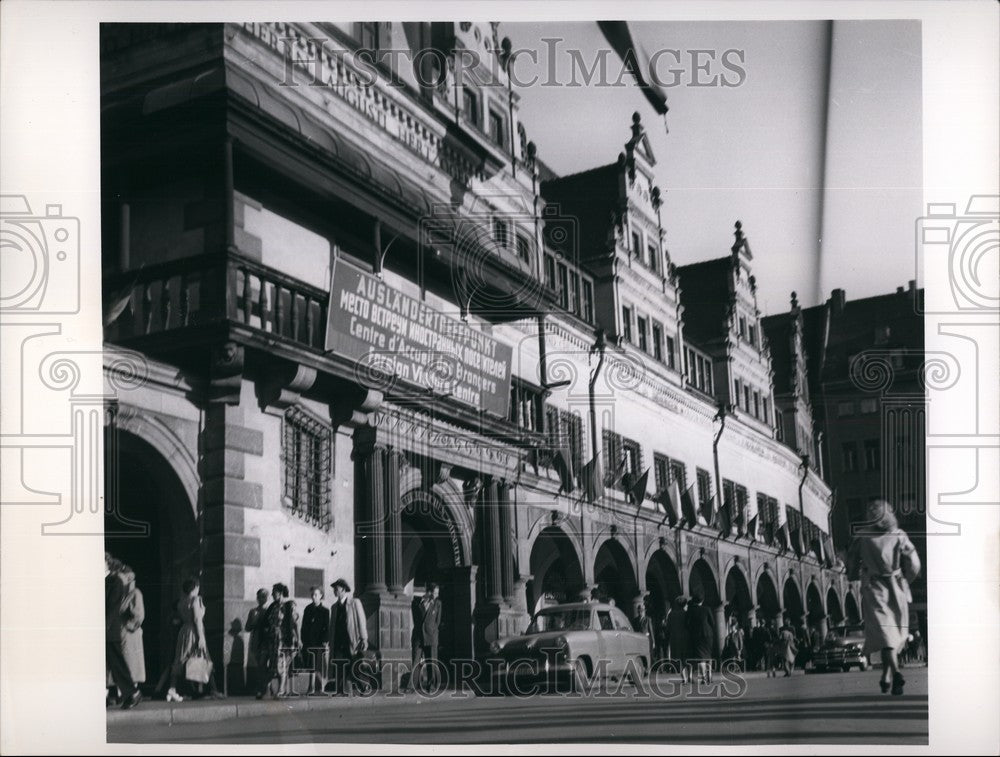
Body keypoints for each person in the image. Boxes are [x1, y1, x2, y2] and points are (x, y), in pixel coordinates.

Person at [847, 499, 921, 695]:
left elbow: (851, 561)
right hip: (897, 587)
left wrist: (853, 575)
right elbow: (914, 563)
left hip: (874, 588)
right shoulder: (899, 535)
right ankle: (894, 673)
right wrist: (906, 579)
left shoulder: (862, 536)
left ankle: (889, 674)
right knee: (893, 634)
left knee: (886, 634)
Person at [165, 578, 222, 702]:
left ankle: (172, 689)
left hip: (184, 631)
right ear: (195, 587)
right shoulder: (196, 600)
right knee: (205, 658)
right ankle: (214, 689)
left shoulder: (181, 601)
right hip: (195, 631)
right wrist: (201, 637)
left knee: (180, 658)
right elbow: (197, 619)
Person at [105, 553, 141, 710]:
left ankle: (132, 693)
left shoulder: (115, 581)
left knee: (117, 664)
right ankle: (130, 693)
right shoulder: (107, 581)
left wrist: (104, 627)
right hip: (107, 630)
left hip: (109, 631)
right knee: (113, 665)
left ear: (107, 563)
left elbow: (112, 608)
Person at [328, 578, 368, 696]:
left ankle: (364, 686)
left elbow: (361, 621)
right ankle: (341, 691)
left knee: (353, 665)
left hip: (351, 640)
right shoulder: (334, 607)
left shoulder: (354, 603)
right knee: (339, 665)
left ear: (344, 590)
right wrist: (330, 641)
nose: (335, 590)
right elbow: (332, 626)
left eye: (337, 588)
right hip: (338, 641)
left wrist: (364, 638)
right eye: (334, 588)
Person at [264, 583, 300, 698]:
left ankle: (281, 690)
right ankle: (281, 690)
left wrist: (298, 640)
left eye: (274, 592)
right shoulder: (273, 607)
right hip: (273, 640)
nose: (272, 595)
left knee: (282, 665)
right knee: (275, 665)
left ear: (280, 593)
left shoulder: (288, 606)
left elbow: (294, 624)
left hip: (284, 639)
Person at [410, 583, 442, 692]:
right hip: (418, 636)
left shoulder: (438, 604)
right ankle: (413, 686)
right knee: (415, 660)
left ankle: (431, 685)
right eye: (435, 592)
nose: (436, 595)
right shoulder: (417, 602)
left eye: (437, 593)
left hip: (431, 636)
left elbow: (437, 622)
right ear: (428, 592)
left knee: (432, 661)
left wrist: (431, 631)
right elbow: (415, 619)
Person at [120, 568, 146, 694]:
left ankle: (132, 690)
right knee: (124, 660)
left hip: (130, 632)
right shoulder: (123, 593)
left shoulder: (135, 593)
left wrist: (129, 626)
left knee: (131, 660)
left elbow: (139, 614)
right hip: (123, 631)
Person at [301, 586, 330, 695]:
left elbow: (327, 627)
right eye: (312, 595)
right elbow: (304, 626)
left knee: (319, 665)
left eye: (316, 595)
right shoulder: (308, 609)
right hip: (309, 641)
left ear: (321, 596)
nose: (313, 597)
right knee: (311, 665)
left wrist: (325, 641)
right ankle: (311, 686)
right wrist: (303, 639)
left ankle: (320, 687)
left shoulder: (325, 611)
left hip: (319, 642)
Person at [685, 589, 715, 684]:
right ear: (702, 601)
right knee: (708, 656)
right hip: (708, 635)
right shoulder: (707, 609)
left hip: (697, 636)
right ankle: (709, 676)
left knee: (701, 657)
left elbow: (687, 624)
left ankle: (703, 678)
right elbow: (713, 623)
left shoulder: (691, 610)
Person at [246, 588, 270, 699]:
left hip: (266, 640)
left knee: (263, 664)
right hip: (256, 639)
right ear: (257, 598)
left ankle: (264, 688)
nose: (262, 599)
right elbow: (247, 627)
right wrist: (253, 623)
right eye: (260, 596)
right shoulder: (253, 611)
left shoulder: (269, 610)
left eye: (264, 596)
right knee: (260, 665)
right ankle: (264, 687)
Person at [665, 595, 692, 683]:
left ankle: (684, 678)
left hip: (675, 640)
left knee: (679, 659)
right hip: (686, 639)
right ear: (684, 605)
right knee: (688, 658)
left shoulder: (671, 614)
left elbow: (668, 628)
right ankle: (690, 676)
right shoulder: (687, 613)